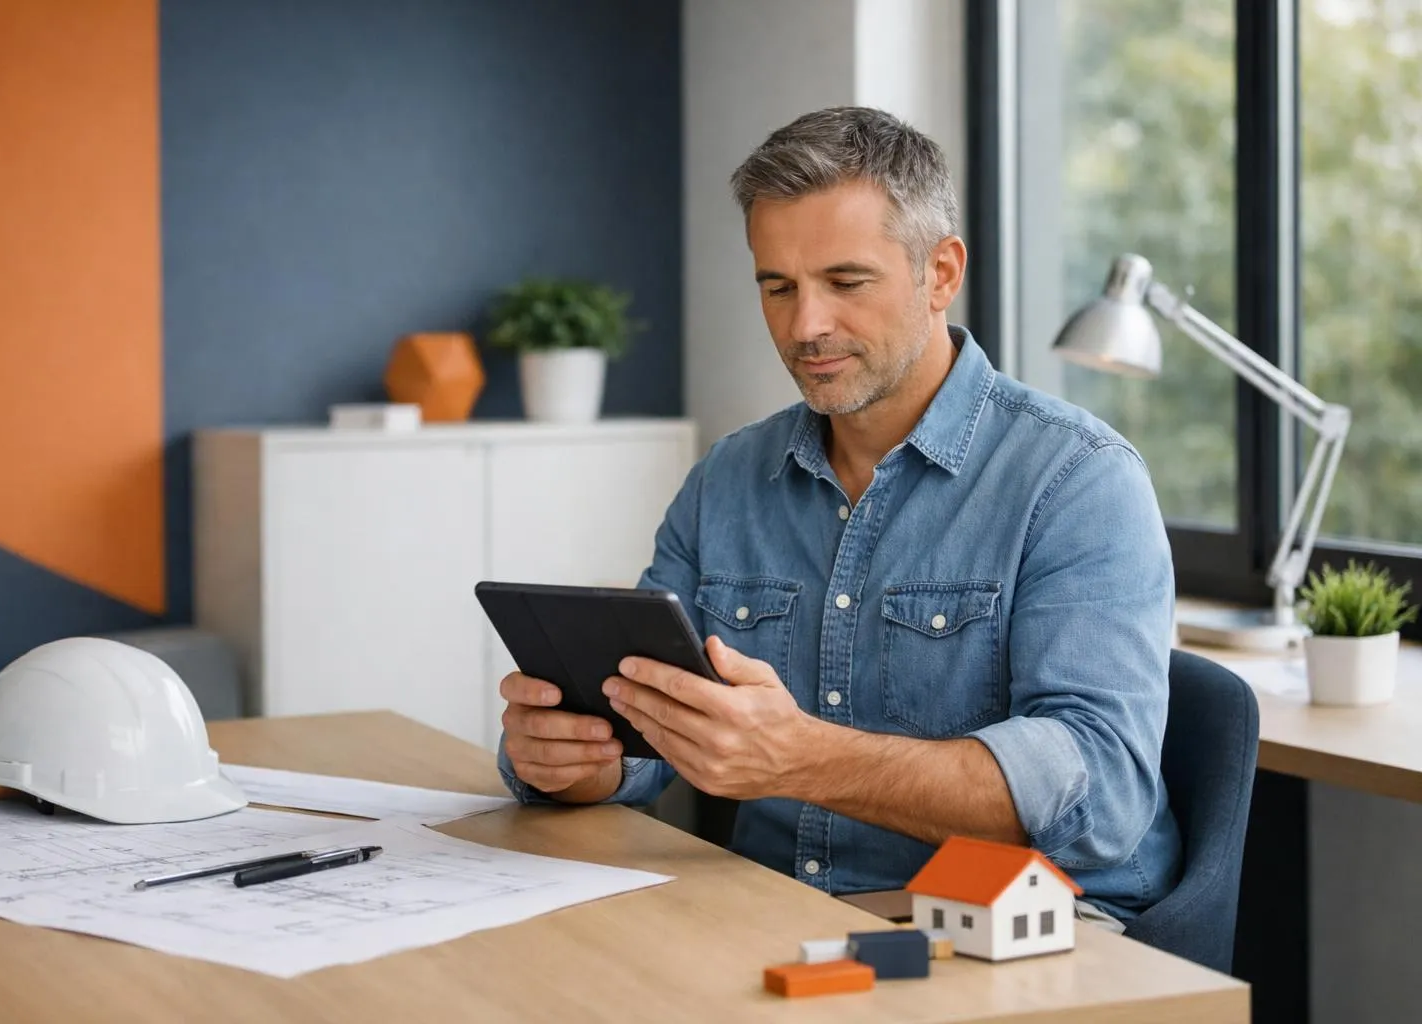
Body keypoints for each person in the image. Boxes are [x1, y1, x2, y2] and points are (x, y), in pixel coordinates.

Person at [495, 106, 1181, 927]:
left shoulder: (1077, 480)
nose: (804, 326)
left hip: (1016, 929)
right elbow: (646, 739)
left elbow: (1102, 796)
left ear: (940, 272)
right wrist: (574, 761)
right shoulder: (728, 481)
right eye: (777, 287)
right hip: (775, 913)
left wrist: (805, 758)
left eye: (845, 283)